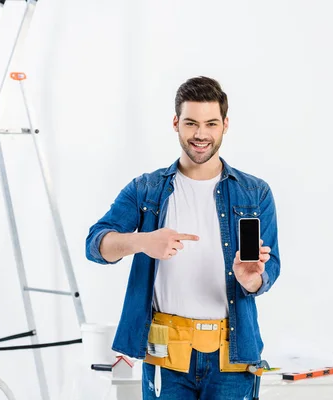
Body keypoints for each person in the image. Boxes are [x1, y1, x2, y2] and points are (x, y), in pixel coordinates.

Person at [86, 76, 281, 399]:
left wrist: (252, 281)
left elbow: (270, 266)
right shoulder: (147, 189)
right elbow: (95, 245)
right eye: (191, 123)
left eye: (210, 124)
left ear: (225, 125)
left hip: (232, 358)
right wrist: (142, 242)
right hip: (167, 356)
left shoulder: (254, 192)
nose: (200, 134)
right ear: (176, 123)